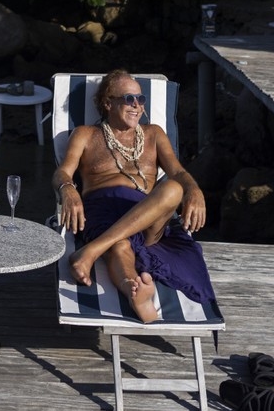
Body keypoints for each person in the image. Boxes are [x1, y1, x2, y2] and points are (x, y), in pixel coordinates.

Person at [53, 70, 215, 322]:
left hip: (147, 217)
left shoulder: (154, 134)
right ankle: (134, 291)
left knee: (173, 187)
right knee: (119, 244)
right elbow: (63, 171)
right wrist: (67, 188)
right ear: (108, 103)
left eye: (141, 100)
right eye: (129, 99)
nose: (137, 106)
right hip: (102, 210)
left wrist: (194, 190)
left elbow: (178, 172)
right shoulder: (85, 134)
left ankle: (89, 252)